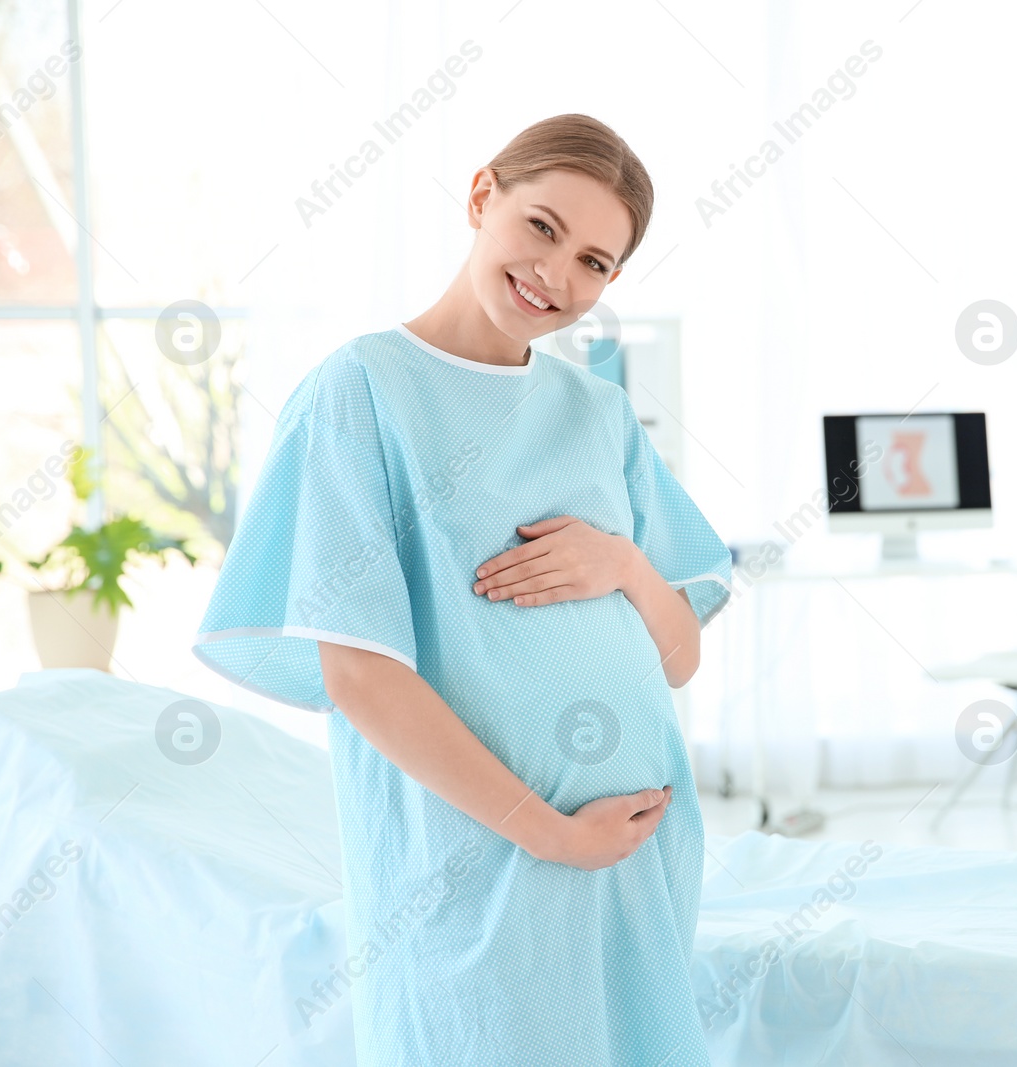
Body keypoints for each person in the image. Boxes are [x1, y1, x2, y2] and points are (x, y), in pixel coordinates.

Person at [193, 113, 731, 1065]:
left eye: (596, 262)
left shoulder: (597, 411)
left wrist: (626, 566)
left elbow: (681, 654)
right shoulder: (362, 390)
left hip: (633, 861)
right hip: (477, 863)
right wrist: (554, 836)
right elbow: (361, 678)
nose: (557, 277)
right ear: (484, 195)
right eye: (542, 228)